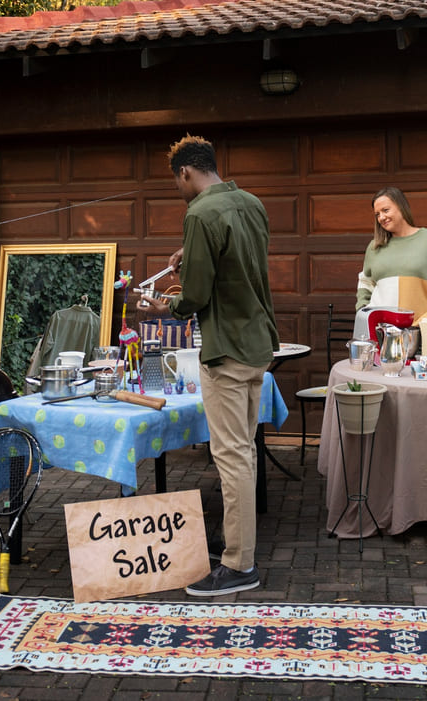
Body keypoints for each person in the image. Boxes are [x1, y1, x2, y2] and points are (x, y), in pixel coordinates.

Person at [143, 135, 279, 597]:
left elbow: (196, 297)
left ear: (185, 173)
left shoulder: (199, 212)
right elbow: (239, 265)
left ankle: (240, 565)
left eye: (176, 181)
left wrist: (163, 307)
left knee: (232, 455)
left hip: (226, 347)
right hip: (257, 341)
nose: (178, 189)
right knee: (243, 451)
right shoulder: (251, 202)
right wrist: (191, 258)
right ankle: (238, 545)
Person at [355, 187, 427, 323]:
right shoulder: (374, 246)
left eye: (385, 210)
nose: (381, 217)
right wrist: (364, 311)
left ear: (401, 206)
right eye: (377, 214)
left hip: (422, 332)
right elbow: (365, 282)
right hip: (381, 334)